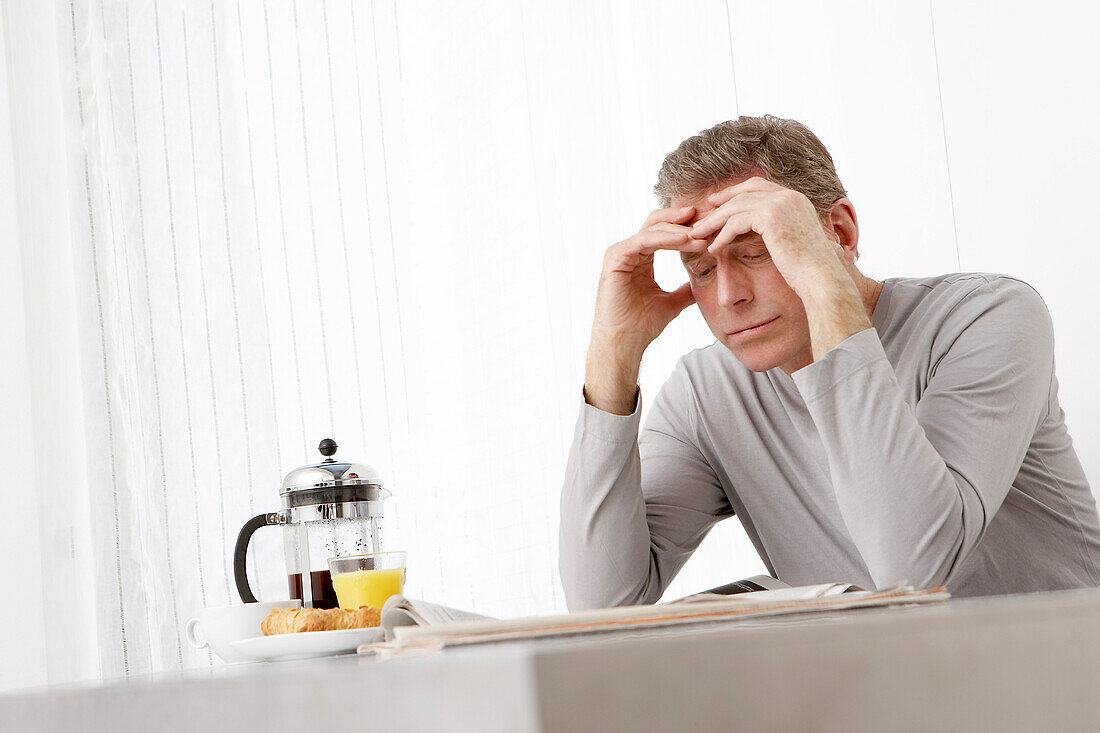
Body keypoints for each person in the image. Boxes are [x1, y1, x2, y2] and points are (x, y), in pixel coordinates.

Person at [559, 114, 1100, 610]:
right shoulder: (705, 393)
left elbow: (913, 572)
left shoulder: (987, 317)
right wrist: (613, 352)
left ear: (838, 233)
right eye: (701, 269)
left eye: (756, 251)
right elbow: (602, 606)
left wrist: (825, 295)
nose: (727, 297)